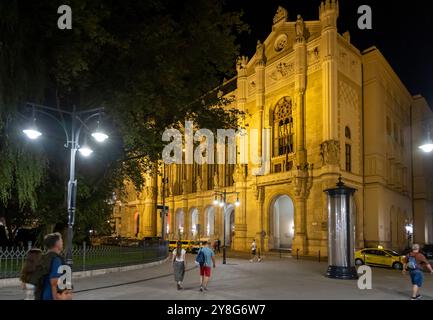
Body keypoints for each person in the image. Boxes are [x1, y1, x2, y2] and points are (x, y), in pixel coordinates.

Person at [39, 232, 65, 300]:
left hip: (42, 294)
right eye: (61, 241)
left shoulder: (43, 258)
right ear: (57, 244)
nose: (62, 243)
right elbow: (54, 282)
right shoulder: (56, 259)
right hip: (51, 296)